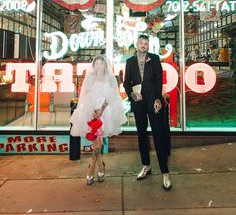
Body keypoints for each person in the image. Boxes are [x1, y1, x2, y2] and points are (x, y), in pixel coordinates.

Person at [123, 34, 172, 190]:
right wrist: (132, 94)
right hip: (138, 103)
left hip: (153, 101)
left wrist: (158, 99)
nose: (143, 45)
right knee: (141, 134)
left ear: (148, 45)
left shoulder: (155, 58)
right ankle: (146, 165)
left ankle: (165, 172)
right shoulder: (130, 62)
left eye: (145, 43)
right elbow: (126, 83)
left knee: (159, 135)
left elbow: (159, 81)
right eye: (141, 43)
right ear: (136, 45)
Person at [70, 55, 127, 185]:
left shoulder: (111, 78)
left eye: (102, 63)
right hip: (92, 112)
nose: (99, 66)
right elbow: (86, 96)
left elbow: (113, 96)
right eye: (97, 63)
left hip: (106, 112)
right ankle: (100, 167)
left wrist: (101, 109)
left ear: (105, 65)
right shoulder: (90, 77)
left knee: (98, 142)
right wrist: (91, 111)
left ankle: (91, 168)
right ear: (93, 65)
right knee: (97, 142)